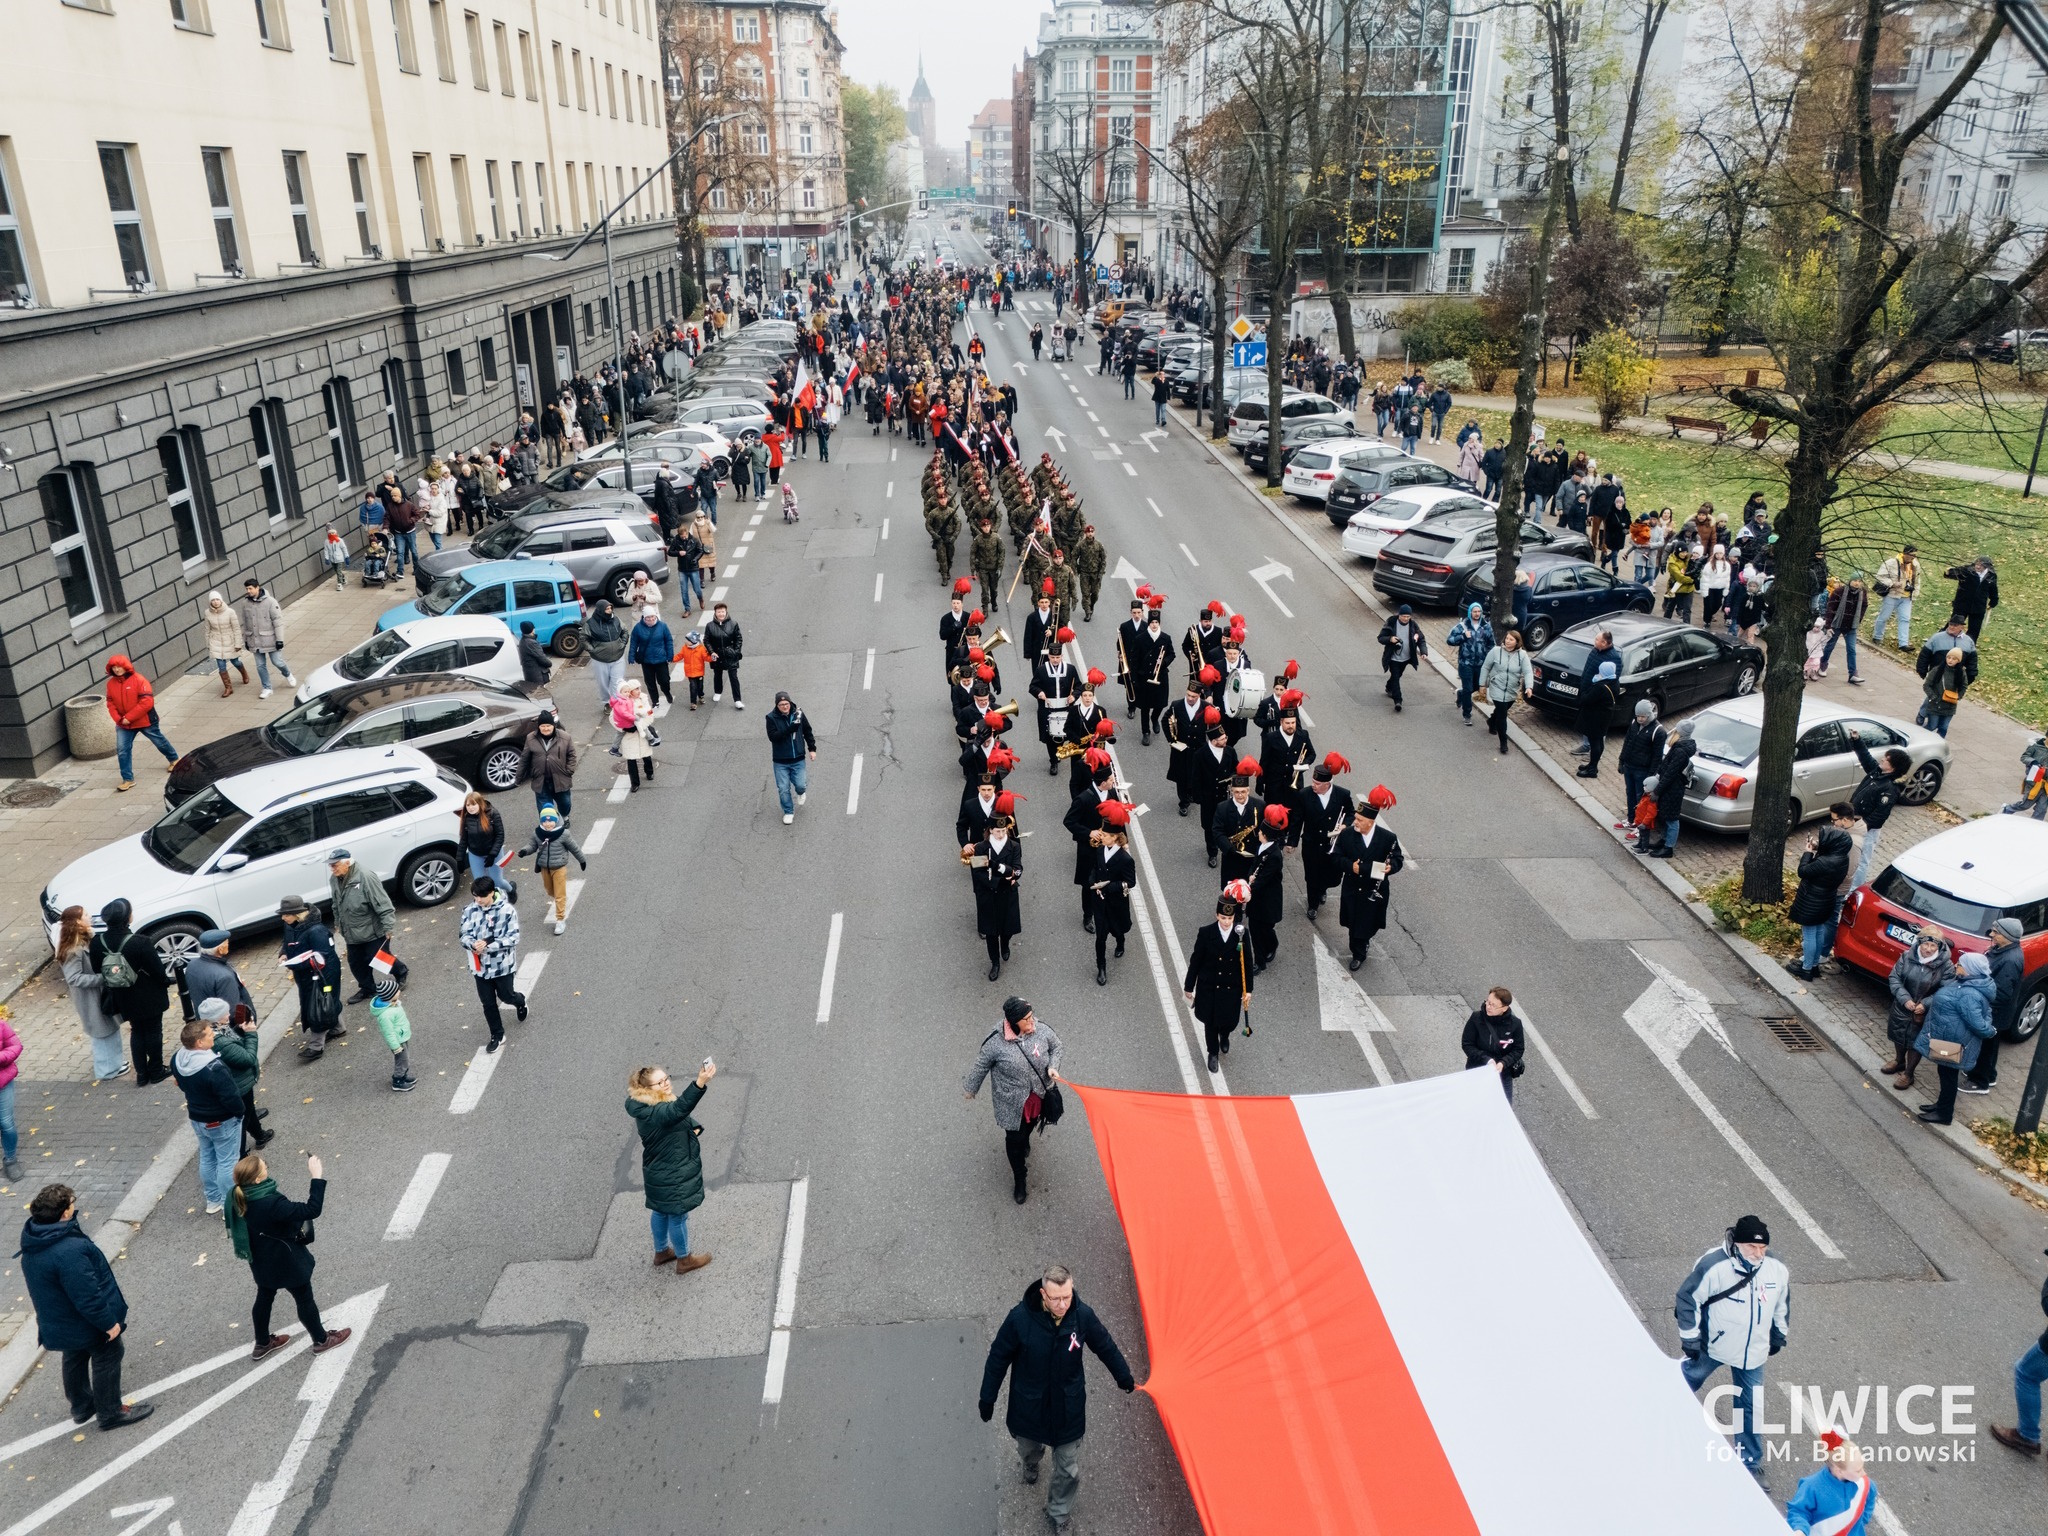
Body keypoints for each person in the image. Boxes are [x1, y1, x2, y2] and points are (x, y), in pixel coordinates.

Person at [978, 1263, 1136, 1533]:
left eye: (1067, 1296)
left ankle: (1059, 1510)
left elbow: (1105, 1346)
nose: (1063, 1304)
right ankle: (1031, 1462)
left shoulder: (1083, 1316)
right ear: (1043, 1294)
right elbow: (998, 1358)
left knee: (1068, 1469)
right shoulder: (1018, 1319)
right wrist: (987, 1397)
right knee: (1027, 1447)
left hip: (1067, 1409)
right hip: (1029, 1406)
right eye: (1056, 1298)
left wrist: (1123, 1375)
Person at [18, 1182, 153, 1431]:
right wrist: (108, 1324)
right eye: (72, 1202)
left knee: (74, 1355)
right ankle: (110, 1412)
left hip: (60, 1321)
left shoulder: (34, 1242)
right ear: (64, 1213)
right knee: (109, 1354)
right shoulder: (68, 1251)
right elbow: (87, 1296)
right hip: (84, 1321)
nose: (75, 1205)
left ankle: (81, 1406)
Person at [1677, 1215, 1789, 1478]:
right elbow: (1687, 1298)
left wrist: (1779, 1334)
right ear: (1737, 1243)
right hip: (1713, 1346)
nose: (1758, 1254)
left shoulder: (1776, 1267)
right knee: (1684, 1381)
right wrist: (1690, 1338)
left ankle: (1749, 1463)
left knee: (1751, 1406)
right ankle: (1658, 1412)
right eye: (1752, 1247)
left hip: (1753, 1353)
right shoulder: (1713, 1265)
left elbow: (1781, 1303)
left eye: (1762, 1248)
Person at [227, 1152, 351, 1360]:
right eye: (262, 1167)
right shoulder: (272, 1204)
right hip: (286, 1260)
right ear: (257, 1179)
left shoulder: (236, 1195)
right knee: (304, 1299)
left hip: (260, 1259)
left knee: (265, 1296)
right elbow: (312, 1209)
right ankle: (321, 1340)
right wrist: (316, 1176)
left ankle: (263, 1342)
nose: (266, 1166)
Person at [962, 995, 1063, 1203]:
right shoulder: (995, 1043)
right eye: (1026, 1019)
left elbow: (1057, 1047)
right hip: (1012, 1104)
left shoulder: (1042, 1030)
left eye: (1032, 1016)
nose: (1032, 1021)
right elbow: (981, 1065)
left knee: (1028, 1129)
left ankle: (1025, 1140)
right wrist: (971, 1088)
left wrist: (1053, 1066)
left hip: (1038, 1098)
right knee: (1014, 1141)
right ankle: (1020, 1178)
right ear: (1013, 1022)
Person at [626, 1061, 717, 1274]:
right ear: (646, 1089)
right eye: (660, 1082)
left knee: (660, 1211)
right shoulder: (655, 1110)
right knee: (678, 1215)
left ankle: (661, 1252)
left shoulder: (647, 1104)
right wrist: (700, 1083)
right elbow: (676, 1111)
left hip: (658, 1168)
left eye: (666, 1078)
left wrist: (693, 1129)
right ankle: (684, 1260)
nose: (666, 1084)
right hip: (672, 1171)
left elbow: (676, 1116)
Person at [171, 1014, 249, 1213]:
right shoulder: (214, 1067)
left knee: (207, 1157)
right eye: (208, 1034)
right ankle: (230, 1206)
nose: (213, 1035)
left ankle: (213, 1201)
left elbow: (181, 1085)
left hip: (198, 1118)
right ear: (199, 1042)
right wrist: (240, 1112)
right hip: (221, 1120)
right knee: (227, 1162)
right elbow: (230, 1097)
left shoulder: (177, 1059)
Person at [91, 898, 171, 1085]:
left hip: (122, 995)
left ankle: (142, 1075)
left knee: (136, 1031)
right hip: (148, 994)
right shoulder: (140, 942)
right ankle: (157, 1070)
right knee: (153, 1031)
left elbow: (97, 969)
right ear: (128, 918)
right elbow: (158, 971)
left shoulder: (97, 942)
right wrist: (166, 982)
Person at [1913, 950, 1996, 1125]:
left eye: (1961, 964)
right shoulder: (1964, 983)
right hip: (1947, 1040)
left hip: (1954, 1044)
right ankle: (1941, 1105)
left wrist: (1990, 1031)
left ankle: (1944, 1114)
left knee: (1948, 1077)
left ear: (1970, 969)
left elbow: (1979, 1024)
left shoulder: (1969, 993)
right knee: (1944, 1073)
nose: (1957, 965)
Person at [1332, 788, 1403, 971]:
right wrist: (1350, 866)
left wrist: (1391, 867)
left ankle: (1361, 948)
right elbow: (1336, 857)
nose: (1355, 822)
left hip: (1374, 890)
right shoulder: (1347, 835)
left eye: (1359, 820)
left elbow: (1397, 858)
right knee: (1353, 924)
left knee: (1367, 924)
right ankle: (1358, 952)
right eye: (1356, 818)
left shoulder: (1387, 838)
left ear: (1370, 823)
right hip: (1353, 888)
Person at [1184, 892, 1253, 1073]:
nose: (1226, 922)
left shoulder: (1241, 934)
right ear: (1217, 916)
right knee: (1210, 1023)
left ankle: (1225, 1034)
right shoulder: (1206, 933)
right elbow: (1196, 961)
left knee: (1229, 1021)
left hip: (1232, 988)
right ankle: (1212, 1053)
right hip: (1210, 988)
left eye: (1229, 918)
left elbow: (1247, 962)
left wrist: (1249, 990)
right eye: (1223, 917)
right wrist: (1188, 986)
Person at [57, 905, 127, 1084]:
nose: (89, 916)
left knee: (109, 1028)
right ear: (78, 922)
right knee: (101, 1032)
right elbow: (74, 978)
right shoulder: (74, 950)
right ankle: (106, 1070)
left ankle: (115, 1063)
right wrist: (102, 979)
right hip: (91, 998)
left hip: (98, 995)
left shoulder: (85, 939)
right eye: (85, 915)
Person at [459, 878, 526, 1053]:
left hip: (502, 966)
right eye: (475, 896)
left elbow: (513, 938)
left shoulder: (507, 911)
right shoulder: (469, 910)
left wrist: (488, 946)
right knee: (488, 1003)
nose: (478, 900)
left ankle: (520, 1001)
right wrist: (472, 945)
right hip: (479, 967)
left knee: (506, 996)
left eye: (482, 896)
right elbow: (463, 934)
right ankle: (497, 1034)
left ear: (492, 893)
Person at [327, 849, 401, 1005]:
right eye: (331, 866)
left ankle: (401, 972)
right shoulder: (334, 879)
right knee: (355, 962)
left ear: (347, 863)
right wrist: (338, 922)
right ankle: (368, 988)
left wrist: (388, 927)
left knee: (379, 958)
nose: (332, 869)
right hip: (351, 931)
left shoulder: (366, 877)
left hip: (371, 929)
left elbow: (382, 903)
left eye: (335, 865)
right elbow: (336, 904)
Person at [1882, 926, 1950, 1089]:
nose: (1928, 949)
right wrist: (1905, 999)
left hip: (1923, 1013)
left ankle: (1909, 1074)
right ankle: (1899, 1061)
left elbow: (1946, 990)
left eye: (1933, 946)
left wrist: (1925, 1004)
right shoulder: (1906, 956)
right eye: (1925, 944)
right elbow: (1894, 978)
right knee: (1898, 1034)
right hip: (1902, 1006)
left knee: (1915, 1042)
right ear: (1919, 942)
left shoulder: (1946, 966)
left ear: (1939, 947)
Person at [277, 895, 344, 1059]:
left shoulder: (316, 931)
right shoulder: (290, 926)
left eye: (286, 914)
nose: (283, 917)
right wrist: (284, 954)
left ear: (297, 914)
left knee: (317, 1005)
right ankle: (338, 1028)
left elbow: (323, 957)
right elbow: (286, 943)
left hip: (323, 975)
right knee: (328, 1000)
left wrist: (294, 964)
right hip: (306, 975)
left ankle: (316, 1046)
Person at [1965, 916, 2026, 1095]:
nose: (1992, 934)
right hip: (1995, 1012)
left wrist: (1979, 997)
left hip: (1994, 1013)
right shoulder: (2004, 951)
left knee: (1985, 1047)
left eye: (1996, 932)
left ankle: (1979, 1082)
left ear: (2008, 936)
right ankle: (1989, 1075)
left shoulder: (2010, 960)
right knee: (1990, 1046)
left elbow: (2002, 993)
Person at [1785, 820, 1852, 981]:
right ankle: (1814, 965)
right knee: (1819, 931)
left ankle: (1806, 968)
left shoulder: (1825, 862)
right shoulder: (1842, 858)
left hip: (1811, 902)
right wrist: (1818, 849)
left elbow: (1803, 871)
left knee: (1808, 935)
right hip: (1826, 900)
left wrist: (1808, 853)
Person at [103, 654, 179, 792]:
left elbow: (147, 702)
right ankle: (127, 779)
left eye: (119, 666)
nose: (117, 670)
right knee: (122, 750)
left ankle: (174, 759)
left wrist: (128, 718)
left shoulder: (139, 680)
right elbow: (110, 703)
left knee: (158, 740)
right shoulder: (111, 684)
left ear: (125, 666)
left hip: (145, 721)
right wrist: (119, 719)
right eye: (113, 667)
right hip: (124, 724)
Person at [1844, 728, 1906, 891]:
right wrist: (1857, 740)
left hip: (1865, 830)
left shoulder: (1889, 788)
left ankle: (1853, 889)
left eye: (1885, 760)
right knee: (1849, 855)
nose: (1881, 760)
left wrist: (1862, 825)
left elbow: (1880, 815)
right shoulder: (1877, 773)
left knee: (1861, 859)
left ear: (1892, 768)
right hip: (1854, 823)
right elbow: (1865, 757)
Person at [1784, 1431, 1876, 1535]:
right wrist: (1800, 1529)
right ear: (1839, 1470)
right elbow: (1798, 1511)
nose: (1864, 1473)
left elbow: (1870, 1497)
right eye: (1858, 1470)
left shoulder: (1864, 1484)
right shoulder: (1812, 1486)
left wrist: (1861, 1521)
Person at [971, 806, 1025, 980]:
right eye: (997, 831)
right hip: (989, 895)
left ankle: (1006, 944)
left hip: (1008, 894)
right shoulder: (980, 848)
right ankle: (995, 962)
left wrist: (1013, 874)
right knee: (991, 932)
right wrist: (999, 880)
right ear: (990, 830)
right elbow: (978, 873)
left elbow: (1017, 869)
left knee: (1007, 928)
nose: (1000, 835)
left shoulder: (1014, 846)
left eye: (1003, 831)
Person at [518, 803, 587, 935]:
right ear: (541, 821)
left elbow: (574, 848)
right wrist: (524, 851)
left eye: (551, 820)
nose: (548, 823)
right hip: (545, 868)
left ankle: (560, 920)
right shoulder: (538, 833)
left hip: (559, 868)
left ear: (556, 820)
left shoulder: (564, 834)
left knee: (559, 895)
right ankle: (561, 900)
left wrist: (582, 860)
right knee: (550, 891)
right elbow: (532, 846)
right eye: (545, 821)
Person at [1461, 986, 1526, 1101]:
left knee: (1503, 1108)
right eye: (1488, 1002)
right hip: (1476, 1069)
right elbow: (1467, 1044)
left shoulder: (1515, 1024)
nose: (1488, 1007)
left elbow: (1518, 1049)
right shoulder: (1476, 1018)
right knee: (1472, 1103)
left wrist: (1503, 1063)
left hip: (1502, 1073)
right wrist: (1487, 1059)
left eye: (1493, 1005)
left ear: (1504, 1008)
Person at [1643, 721, 1696, 859]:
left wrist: (1657, 791)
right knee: (1666, 816)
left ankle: (1668, 847)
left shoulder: (1680, 750)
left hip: (1673, 790)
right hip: (1671, 788)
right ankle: (1664, 841)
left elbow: (1670, 774)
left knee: (1672, 819)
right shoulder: (1680, 747)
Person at [1477, 629, 1534, 756]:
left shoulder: (1522, 655)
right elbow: (1485, 667)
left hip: (1512, 689)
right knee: (1502, 714)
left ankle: (1491, 721)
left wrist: (1529, 687)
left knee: (1501, 710)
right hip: (1497, 687)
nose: (1507, 641)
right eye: (1507, 638)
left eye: (1511, 639)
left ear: (1517, 642)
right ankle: (1503, 743)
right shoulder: (1496, 651)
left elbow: (1528, 672)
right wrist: (1482, 684)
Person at [235, 578, 294, 697]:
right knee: (260, 665)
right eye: (247, 589)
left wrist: (280, 640)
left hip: (270, 639)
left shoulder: (271, 602)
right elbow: (245, 623)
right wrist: (245, 640)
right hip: (254, 640)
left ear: (257, 587)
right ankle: (267, 688)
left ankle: (287, 674)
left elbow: (278, 621)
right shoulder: (245, 603)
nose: (248, 591)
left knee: (277, 661)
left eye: (250, 588)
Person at [766, 691, 819, 825]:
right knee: (783, 788)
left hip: (798, 759)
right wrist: (791, 728)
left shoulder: (799, 714)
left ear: (790, 703)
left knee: (800, 785)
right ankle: (789, 811)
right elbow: (773, 737)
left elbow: (807, 731)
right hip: (780, 761)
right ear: (777, 706)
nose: (785, 706)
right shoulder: (771, 718)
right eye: (781, 704)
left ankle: (801, 793)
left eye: (786, 703)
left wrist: (812, 749)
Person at [519, 710, 580, 818]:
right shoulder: (531, 738)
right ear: (539, 726)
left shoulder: (565, 737)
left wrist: (569, 771)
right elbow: (525, 758)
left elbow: (571, 755)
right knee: (544, 808)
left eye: (548, 726)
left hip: (561, 779)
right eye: (543, 726)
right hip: (540, 780)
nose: (546, 729)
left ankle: (564, 817)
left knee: (565, 804)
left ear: (553, 725)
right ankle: (549, 827)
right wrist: (519, 777)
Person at [1446, 603, 1493, 726]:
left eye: (1479, 611)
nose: (1477, 614)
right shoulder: (1462, 626)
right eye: (1475, 611)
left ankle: (1460, 694)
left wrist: (1488, 657)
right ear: (1470, 613)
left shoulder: (1486, 627)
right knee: (1468, 689)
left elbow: (1491, 644)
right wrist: (1462, 637)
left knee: (1476, 687)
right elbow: (1449, 640)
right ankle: (1467, 714)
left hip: (1480, 664)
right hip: (1465, 663)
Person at [1376, 606, 1427, 711]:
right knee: (1395, 677)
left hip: (1406, 657)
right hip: (1393, 658)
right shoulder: (1391, 623)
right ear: (1399, 615)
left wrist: (1424, 652)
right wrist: (1390, 639)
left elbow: (1421, 639)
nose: (1406, 619)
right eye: (1404, 616)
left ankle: (1389, 687)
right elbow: (1380, 638)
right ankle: (1398, 701)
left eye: (1408, 616)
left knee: (1398, 675)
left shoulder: (1413, 625)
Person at [1818, 576, 1867, 683]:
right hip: (1837, 624)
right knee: (1829, 646)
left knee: (1851, 650)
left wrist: (1857, 621)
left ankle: (1853, 674)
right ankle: (1822, 665)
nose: (1857, 583)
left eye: (1859, 581)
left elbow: (1864, 606)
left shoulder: (1862, 593)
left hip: (1851, 626)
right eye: (1855, 580)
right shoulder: (1839, 591)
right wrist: (1829, 626)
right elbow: (1830, 608)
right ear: (1850, 581)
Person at [1870, 543, 1918, 651]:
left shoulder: (1915, 565)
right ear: (1905, 553)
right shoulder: (1891, 563)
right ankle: (1877, 637)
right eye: (1911, 555)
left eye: (1915, 556)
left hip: (1906, 597)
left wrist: (1914, 594)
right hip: (1892, 595)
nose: (1913, 558)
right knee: (1884, 617)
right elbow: (1880, 577)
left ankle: (1903, 644)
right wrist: (1892, 583)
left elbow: (1917, 581)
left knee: (1905, 619)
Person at [202, 591, 251, 697]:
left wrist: (238, 643)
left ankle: (244, 673)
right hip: (216, 642)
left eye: (217, 599)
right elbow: (207, 630)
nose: (215, 602)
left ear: (221, 600)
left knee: (235, 662)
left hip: (230, 641)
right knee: (221, 666)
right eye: (213, 600)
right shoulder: (207, 613)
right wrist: (208, 645)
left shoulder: (230, 612)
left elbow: (236, 629)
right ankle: (228, 687)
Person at [1916, 646, 1970, 738]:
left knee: (1943, 728)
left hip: (1950, 705)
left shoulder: (1961, 673)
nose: (1950, 660)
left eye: (1954, 659)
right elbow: (1927, 685)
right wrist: (1933, 697)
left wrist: (1958, 696)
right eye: (1948, 657)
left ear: (1958, 660)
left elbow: (1964, 686)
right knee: (1932, 725)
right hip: (1935, 704)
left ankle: (1938, 744)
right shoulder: (1937, 670)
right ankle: (1919, 737)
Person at [627, 606, 675, 707]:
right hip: (646, 660)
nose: (651, 619)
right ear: (644, 618)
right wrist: (631, 657)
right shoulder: (638, 628)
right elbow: (633, 643)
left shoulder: (663, 626)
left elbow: (669, 641)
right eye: (648, 618)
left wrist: (670, 656)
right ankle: (655, 700)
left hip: (661, 659)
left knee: (664, 680)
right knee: (650, 682)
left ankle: (667, 692)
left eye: (652, 617)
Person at [1945, 555, 1999, 640]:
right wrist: (1948, 572)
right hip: (1962, 604)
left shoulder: (1991, 575)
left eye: (1981, 565)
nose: (1977, 567)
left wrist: (1994, 601)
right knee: (1953, 625)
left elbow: (1993, 589)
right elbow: (1953, 573)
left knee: (1974, 631)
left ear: (1986, 567)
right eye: (1976, 564)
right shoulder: (1967, 571)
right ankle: (1942, 641)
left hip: (1978, 608)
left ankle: (1968, 648)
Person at [705, 601, 744, 707]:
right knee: (717, 675)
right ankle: (717, 692)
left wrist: (736, 652)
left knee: (733, 677)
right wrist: (711, 652)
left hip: (730, 654)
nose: (721, 614)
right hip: (717, 655)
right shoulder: (709, 626)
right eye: (719, 612)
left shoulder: (733, 624)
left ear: (726, 612)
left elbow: (738, 639)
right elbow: (707, 640)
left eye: (722, 611)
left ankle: (737, 700)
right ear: (715, 613)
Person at [2003, 733, 2048, 819]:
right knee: (2025, 804)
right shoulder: (2036, 746)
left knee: (2042, 809)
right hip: (2034, 781)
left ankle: (2034, 825)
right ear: (2047, 736)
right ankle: (2008, 808)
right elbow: (2024, 757)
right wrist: (2032, 761)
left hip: (2047, 785)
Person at [516, 620, 553, 695]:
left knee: (535, 694)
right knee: (540, 694)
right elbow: (542, 658)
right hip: (537, 675)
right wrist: (549, 663)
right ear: (532, 630)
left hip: (530, 674)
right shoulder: (531, 643)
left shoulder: (523, 641)